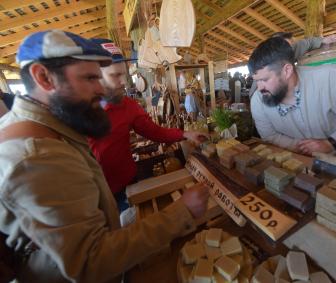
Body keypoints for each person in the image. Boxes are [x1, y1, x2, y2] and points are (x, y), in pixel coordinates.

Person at [0, 30, 209, 283]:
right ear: (44, 77)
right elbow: (91, 261)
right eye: (90, 78)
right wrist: (182, 212)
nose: (101, 89)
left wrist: (182, 134)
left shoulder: (55, 123)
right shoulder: (37, 157)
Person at [89, 38, 208, 211]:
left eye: (124, 74)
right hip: (94, 197)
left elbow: (154, 132)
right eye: (115, 75)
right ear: (93, 76)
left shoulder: (128, 106)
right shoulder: (75, 113)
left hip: (129, 186)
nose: (124, 82)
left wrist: (185, 134)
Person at [249, 37, 336, 156]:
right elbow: (270, 135)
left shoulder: (334, 78)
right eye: (256, 80)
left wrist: (331, 143)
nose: (259, 88)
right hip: (290, 159)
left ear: (287, 70)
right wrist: (302, 147)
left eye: (265, 80)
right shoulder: (258, 100)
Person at [249, 32, 336, 97]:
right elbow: (254, 92)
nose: (287, 51)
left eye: (290, 46)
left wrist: (323, 40)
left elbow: (308, 43)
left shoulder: (291, 50)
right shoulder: (262, 66)